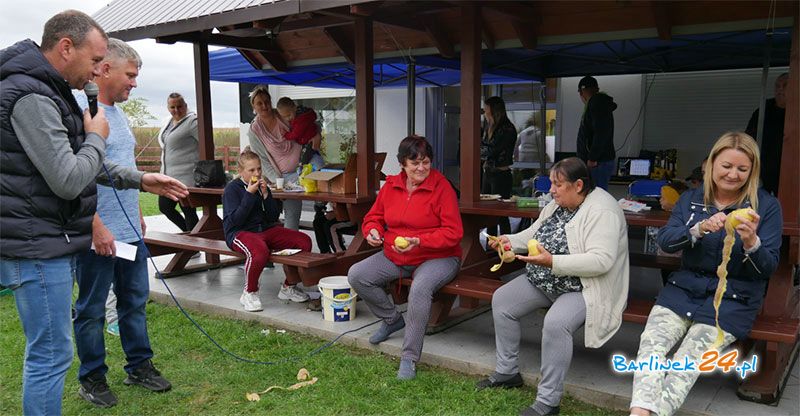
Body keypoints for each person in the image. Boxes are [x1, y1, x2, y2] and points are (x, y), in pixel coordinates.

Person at [0, 11, 187, 415]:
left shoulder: (51, 93)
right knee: (53, 352)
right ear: (66, 47)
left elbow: (88, 165)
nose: (96, 70)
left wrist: (140, 180)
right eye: (95, 60)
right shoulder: (33, 96)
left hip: (67, 237)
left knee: (125, 307)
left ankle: (139, 365)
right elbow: (70, 178)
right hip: (44, 243)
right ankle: (94, 377)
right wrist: (95, 138)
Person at [629, 132, 782, 416]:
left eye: (742, 169)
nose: (733, 175)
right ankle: (639, 412)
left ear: (752, 171)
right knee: (651, 347)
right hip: (682, 291)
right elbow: (665, 241)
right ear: (711, 164)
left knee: (687, 361)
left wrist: (752, 242)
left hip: (733, 300)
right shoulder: (690, 199)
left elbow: (768, 266)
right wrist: (698, 229)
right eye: (726, 166)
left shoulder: (766, 207)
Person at [476, 157, 629, 416]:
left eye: (558, 185)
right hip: (545, 278)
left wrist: (552, 261)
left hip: (584, 287)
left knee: (556, 324)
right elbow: (533, 233)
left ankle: (548, 402)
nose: (552, 190)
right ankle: (507, 372)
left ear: (578, 185)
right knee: (502, 300)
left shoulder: (603, 210)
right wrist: (508, 240)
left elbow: (601, 261)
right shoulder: (558, 205)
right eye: (552, 184)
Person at [71, 38, 174, 408]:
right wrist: (95, 224)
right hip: (97, 234)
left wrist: (138, 216)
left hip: (130, 230)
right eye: (130, 75)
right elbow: (78, 175)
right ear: (105, 68)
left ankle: (139, 366)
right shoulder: (84, 110)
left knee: (134, 301)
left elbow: (123, 173)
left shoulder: (118, 114)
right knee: (92, 308)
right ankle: (93, 378)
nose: (134, 83)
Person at [348, 135, 463, 380]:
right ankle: (391, 319)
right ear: (402, 164)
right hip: (396, 255)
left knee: (420, 289)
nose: (421, 168)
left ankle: (409, 357)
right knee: (357, 275)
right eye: (415, 163)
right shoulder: (391, 186)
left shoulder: (442, 187)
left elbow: (454, 233)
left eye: (426, 162)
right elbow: (373, 217)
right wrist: (372, 231)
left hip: (438, 257)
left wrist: (419, 241)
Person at [222, 148, 313, 311]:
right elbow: (236, 221)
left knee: (303, 241)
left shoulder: (261, 187)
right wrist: (249, 195)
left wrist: (266, 195)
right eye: (251, 170)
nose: (256, 173)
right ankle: (249, 292)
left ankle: (288, 287)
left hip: (263, 230)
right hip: (239, 233)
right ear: (240, 171)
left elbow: (272, 217)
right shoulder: (232, 189)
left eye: (259, 169)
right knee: (259, 251)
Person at [246, 85, 303, 231]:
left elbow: (306, 125)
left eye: (267, 101)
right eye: (259, 103)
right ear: (253, 105)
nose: (264, 105)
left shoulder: (283, 115)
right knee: (273, 216)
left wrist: (316, 134)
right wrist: (280, 183)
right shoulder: (254, 130)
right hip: (277, 179)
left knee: (294, 215)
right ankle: (284, 248)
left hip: (301, 172)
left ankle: (294, 247)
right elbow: (261, 160)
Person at [157, 92, 200, 231]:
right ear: (168, 107)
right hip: (168, 177)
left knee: (188, 210)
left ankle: (194, 245)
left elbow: (207, 143)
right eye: (172, 107)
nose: (176, 110)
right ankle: (189, 236)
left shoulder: (193, 122)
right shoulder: (168, 122)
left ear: (185, 106)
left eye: (179, 106)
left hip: (186, 177)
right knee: (165, 207)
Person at [745, 72, 788, 195]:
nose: (780, 89)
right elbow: (748, 139)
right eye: (777, 86)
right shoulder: (764, 109)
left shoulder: (795, 109)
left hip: (790, 170)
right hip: (763, 169)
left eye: (785, 86)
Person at [481, 96, 517, 234]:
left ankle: (505, 248)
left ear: (494, 111)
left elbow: (492, 150)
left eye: (486, 110)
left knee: (501, 215)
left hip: (501, 174)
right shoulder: (489, 126)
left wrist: (480, 151)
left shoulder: (507, 129)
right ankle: (491, 248)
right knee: (488, 214)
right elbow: (485, 148)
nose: (485, 113)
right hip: (488, 172)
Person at [575, 76, 617, 191]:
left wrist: (593, 157)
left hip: (598, 162)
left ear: (582, 91)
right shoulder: (599, 103)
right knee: (595, 194)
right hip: (599, 160)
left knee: (596, 194)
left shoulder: (596, 103)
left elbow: (601, 132)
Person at [276, 96, 324, 168]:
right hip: (309, 138)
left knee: (305, 159)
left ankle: (302, 168)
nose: (288, 118)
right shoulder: (302, 113)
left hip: (308, 141)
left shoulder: (301, 119)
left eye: (289, 115)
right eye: (284, 117)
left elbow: (295, 134)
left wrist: (286, 135)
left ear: (295, 108)